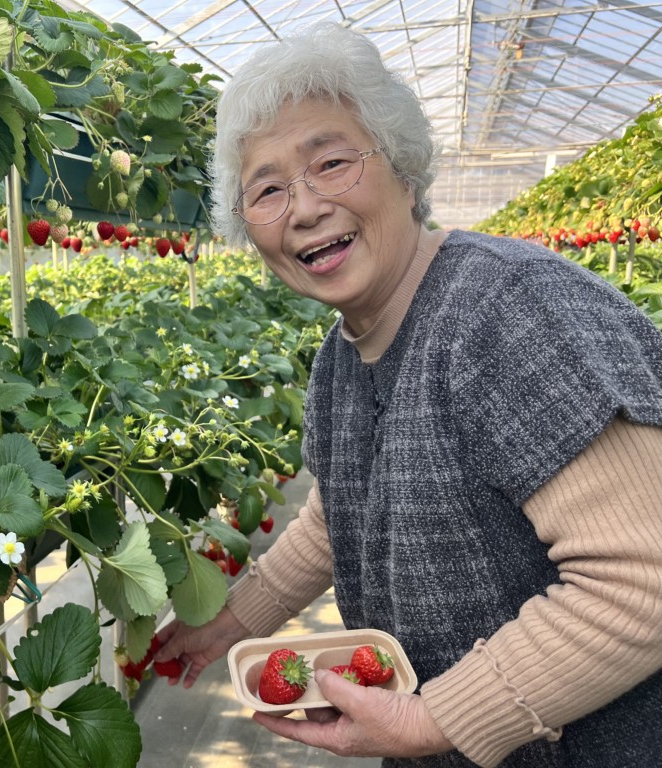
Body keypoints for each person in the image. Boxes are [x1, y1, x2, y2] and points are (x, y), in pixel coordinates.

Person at [153, 21, 662, 768]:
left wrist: (431, 721)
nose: (304, 208)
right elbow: (345, 512)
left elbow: (643, 582)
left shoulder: (509, 312)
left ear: (402, 167)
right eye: (267, 190)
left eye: (331, 163)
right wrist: (233, 622)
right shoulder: (341, 355)